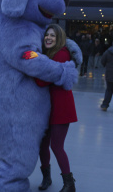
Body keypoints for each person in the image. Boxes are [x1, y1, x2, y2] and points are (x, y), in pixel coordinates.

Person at [35, 24, 77, 192]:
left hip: (61, 107)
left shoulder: (61, 54)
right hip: (48, 107)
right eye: (47, 35)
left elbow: (42, 80)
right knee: (43, 144)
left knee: (56, 146)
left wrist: (33, 68)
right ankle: (47, 177)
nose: (49, 38)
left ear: (59, 38)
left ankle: (69, 184)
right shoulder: (49, 54)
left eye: (52, 35)